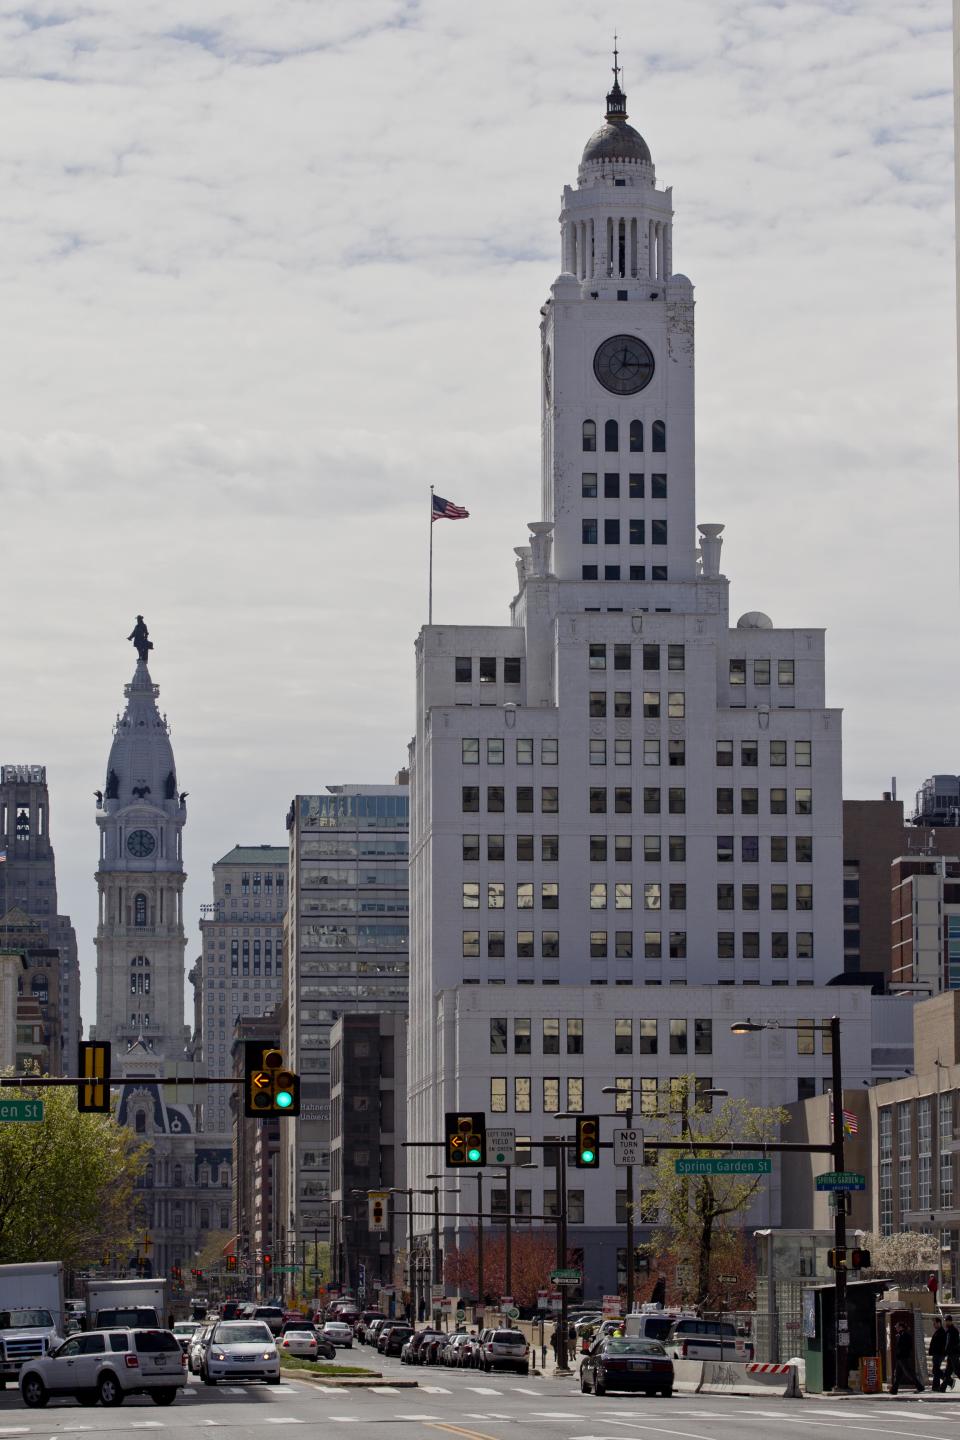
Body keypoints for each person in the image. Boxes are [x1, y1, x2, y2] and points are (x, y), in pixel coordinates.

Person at [891, 1322, 923, 1394]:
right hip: (900, 1358)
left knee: (909, 1373)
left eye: (897, 1326)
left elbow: (906, 1347)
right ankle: (894, 1390)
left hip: (903, 1358)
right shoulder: (900, 1335)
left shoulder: (905, 1335)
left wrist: (902, 1353)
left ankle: (920, 1387)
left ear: (901, 1327)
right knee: (898, 1375)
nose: (896, 1328)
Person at [930, 1316, 946, 1391]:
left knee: (935, 1370)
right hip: (936, 1354)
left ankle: (948, 1380)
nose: (933, 1325)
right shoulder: (938, 1331)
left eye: (935, 1323)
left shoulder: (942, 1332)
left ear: (939, 1323)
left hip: (939, 1354)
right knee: (935, 1370)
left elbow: (941, 1344)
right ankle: (936, 1386)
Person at [944, 1313, 959, 1389]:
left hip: (954, 1353)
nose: (945, 1323)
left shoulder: (953, 1331)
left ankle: (942, 1388)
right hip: (950, 1354)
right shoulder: (949, 1330)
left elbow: (951, 1343)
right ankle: (942, 1388)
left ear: (950, 1321)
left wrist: (947, 1350)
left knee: (957, 1370)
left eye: (946, 1321)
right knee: (947, 1372)